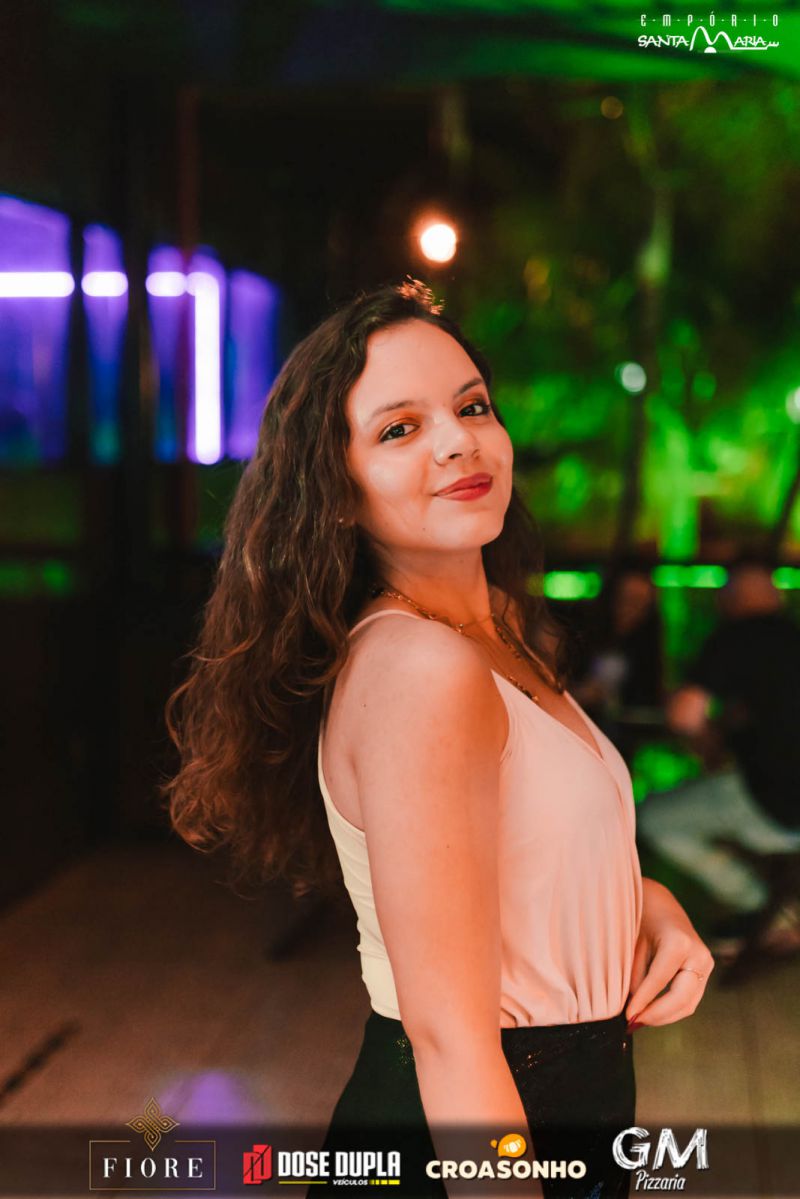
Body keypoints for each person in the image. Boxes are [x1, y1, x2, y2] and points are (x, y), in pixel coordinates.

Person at [162, 280, 714, 1198]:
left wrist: (644, 902)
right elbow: (451, 1038)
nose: (459, 440)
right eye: (399, 428)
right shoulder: (420, 666)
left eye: (472, 407)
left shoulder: (497, 629)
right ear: (337, 493)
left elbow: (509, 863)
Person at [639, 559, 800, 957]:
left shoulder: (735, 638)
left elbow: (684, 715)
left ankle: (763, 908)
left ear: (728, 598)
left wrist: (710, 745)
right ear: (777, 595)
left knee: (653, 818)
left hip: (773, 803)